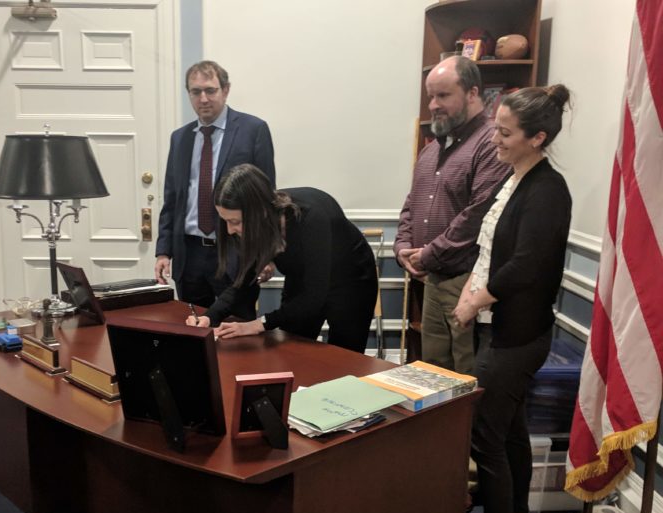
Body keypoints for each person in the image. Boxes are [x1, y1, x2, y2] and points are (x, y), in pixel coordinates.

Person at [453, 85, 572, 513]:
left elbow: (526, 264)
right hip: (501, 325)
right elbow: (492, 250)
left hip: (519, 334)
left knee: (486, 437)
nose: (494, 139)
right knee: (513, 432)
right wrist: (472, 291)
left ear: (537, 137)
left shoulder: (548, 190)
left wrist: (475, 299)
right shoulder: (517, 178)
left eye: (504, 132)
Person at [393, 55, 509, 374]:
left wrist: (428, 254)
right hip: (432, 277)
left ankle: (465, 427)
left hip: (466, 279)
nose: (433, 105)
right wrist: (402, 247)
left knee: (465, 370)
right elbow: (411, 203)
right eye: (431, 96)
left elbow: (477, 216)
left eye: (443, 95)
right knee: (432, 368)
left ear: (473, 93)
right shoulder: (432, 149)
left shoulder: (490, 145)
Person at [186, 163, 378, 354]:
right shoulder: (256, 225)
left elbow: (313, 299)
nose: (229, 230)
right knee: (291, 351)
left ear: (259, 213)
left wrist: (259, 324)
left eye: (234, 222)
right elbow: (244, 281)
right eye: (225, 220)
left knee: (343, 360)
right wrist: (210, 316)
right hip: (303, 281)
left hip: (352, 281)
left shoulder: (312, 217)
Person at [155, 61, 276, 319]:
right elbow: (172, 198)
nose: (203, 98)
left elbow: (267, 199)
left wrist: (268, 254)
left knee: (237, 333)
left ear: (226, 90)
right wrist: (164, 251)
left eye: (210, 90)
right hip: (189, 255)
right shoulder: (180, 138)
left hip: (237, 251)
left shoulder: (253, 130)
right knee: (194, 329)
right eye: (195, 91)